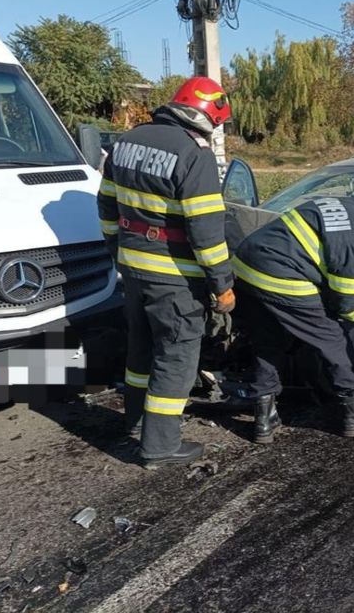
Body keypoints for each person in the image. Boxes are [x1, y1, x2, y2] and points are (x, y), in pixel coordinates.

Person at [98, 76, 235, 468]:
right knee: (177, 355)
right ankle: (159, 445)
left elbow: (107, 206)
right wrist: (222, 285)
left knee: (142, 350)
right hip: (174, 276)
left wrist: (118, 253)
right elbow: (206, 230)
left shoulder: (127, 141)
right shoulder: (195, 153)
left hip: (133, 270)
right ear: (210, 116)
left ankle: (136, 422)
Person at [232, 197, 354, 442]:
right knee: (333, 340)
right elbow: (348, 306)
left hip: (246, 265)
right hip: (282, 276)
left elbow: (347, 264)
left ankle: (264, 420)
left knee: (268, 340)